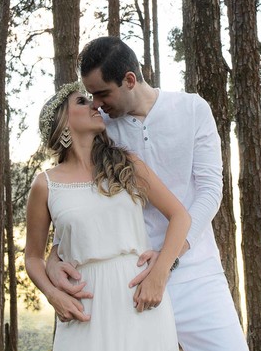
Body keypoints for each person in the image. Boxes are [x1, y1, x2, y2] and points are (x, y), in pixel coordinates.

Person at [45, 37, 250, 351]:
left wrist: (167, 262)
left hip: (195, 271)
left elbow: (209, 191)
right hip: (128, 280)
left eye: (102, 93)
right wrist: (54, 256)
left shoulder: (192, 109)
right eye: (90, 96)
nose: (96, 104)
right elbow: (80, 195)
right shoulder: (102, 130)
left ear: (129, 80)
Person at [24, 79, 191, 350]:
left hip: (140, 299)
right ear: (63, 122)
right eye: (82, 101)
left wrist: (159, 274)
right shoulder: (45, 184)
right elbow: (32, 257)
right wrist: (53, 294)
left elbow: (180, 216)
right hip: (84, 307)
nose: (94, 105)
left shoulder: (128, 165)